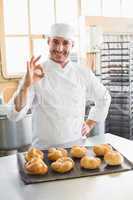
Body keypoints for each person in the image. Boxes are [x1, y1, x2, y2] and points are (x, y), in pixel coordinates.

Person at [8, 23, 111, 148]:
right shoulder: (35, 72)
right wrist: (25, 86)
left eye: (65, 43)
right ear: (48, 42)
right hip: (43, 151)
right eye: (55, 42)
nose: (59, 48)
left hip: (75, 149)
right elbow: (14, 115)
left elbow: (104, 98)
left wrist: (90, 123)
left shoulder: (82, 73)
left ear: (72, 45)